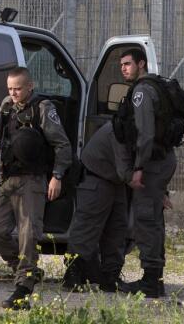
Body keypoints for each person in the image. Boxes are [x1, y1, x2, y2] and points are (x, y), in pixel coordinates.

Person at [0, 67, 72, 310]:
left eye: (18, 88)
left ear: (29, 86)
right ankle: (26, 270)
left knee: (28, 233)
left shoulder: (43, 108)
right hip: (9, 178)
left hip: (33, 180)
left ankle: (23, 290)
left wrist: (56, 176)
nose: (13, 93)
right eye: (10, 89)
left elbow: (62, 145)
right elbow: (2, 143)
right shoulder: (7, 107)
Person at [115, 50, 178, 298]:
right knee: (153, 220)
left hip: (152, 163)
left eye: (128, 64)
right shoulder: (155, 86)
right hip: (162, 160)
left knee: (146, 221)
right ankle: (155, 279)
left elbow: (146, 133)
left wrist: (139, 167)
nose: (124, 68)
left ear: (141, 64)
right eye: (121, 65)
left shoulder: (141, 91)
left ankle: (151, 282)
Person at [60, 124, 130, 292]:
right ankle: (73, 275)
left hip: (115, 182)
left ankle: (110, 277)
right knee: (86, 229)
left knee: (117, 229)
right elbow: (125, 167)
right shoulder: (121, 127)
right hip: (96, 178)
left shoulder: (136, 126)